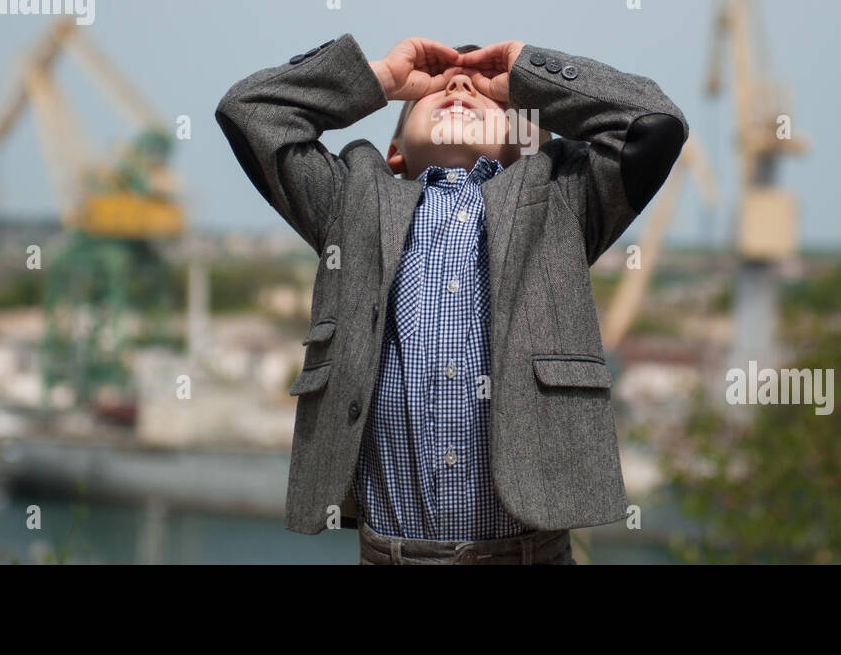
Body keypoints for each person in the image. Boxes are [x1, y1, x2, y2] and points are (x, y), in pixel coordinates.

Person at [215, 34, 688, 563]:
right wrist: (378, 80)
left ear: (529, 140)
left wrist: (530, 73)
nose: (461, 84)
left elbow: (653, 121)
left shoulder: (564, 200)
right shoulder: (351, 200)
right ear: (395, 152)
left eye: (492, 100)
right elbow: (249, 111)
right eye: (435, 92)